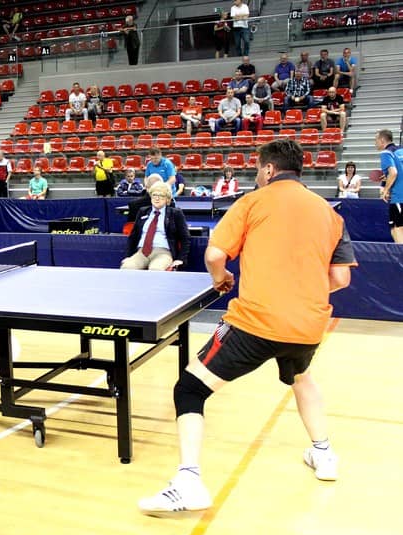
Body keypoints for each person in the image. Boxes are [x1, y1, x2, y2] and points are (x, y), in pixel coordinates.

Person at [139, 138, 357, 515]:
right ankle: (324, 454)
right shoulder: (329, 213)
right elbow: (340, 278)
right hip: (307, 325)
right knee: (301, 377)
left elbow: (214, 254)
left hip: (255, 323)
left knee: (189, 388)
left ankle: (188, 482)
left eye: (258, 169)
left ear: (269, 169)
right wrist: (299, 289)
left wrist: (221, 278)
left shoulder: (251, 202)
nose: (256, 175)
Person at [121, 181, 190, 271]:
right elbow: (133, 237)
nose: (157, 198)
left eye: (161, 195)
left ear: (167, 199)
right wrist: (128, 256)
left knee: (155, 269)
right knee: (127, 267)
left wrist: (181, 259)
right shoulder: (143, 211)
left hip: (163, 253)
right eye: (154, 195)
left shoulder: (175, 213)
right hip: (141, 252)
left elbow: (185, 238)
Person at [375, 129, 403, 243]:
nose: (375, 143)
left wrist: (385, 190)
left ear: (382, 140)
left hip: (399, 197)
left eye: (376, 140)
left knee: (397, 229)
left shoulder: (386, 153)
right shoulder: (401, 149)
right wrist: (387, 178)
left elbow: (394, 173)